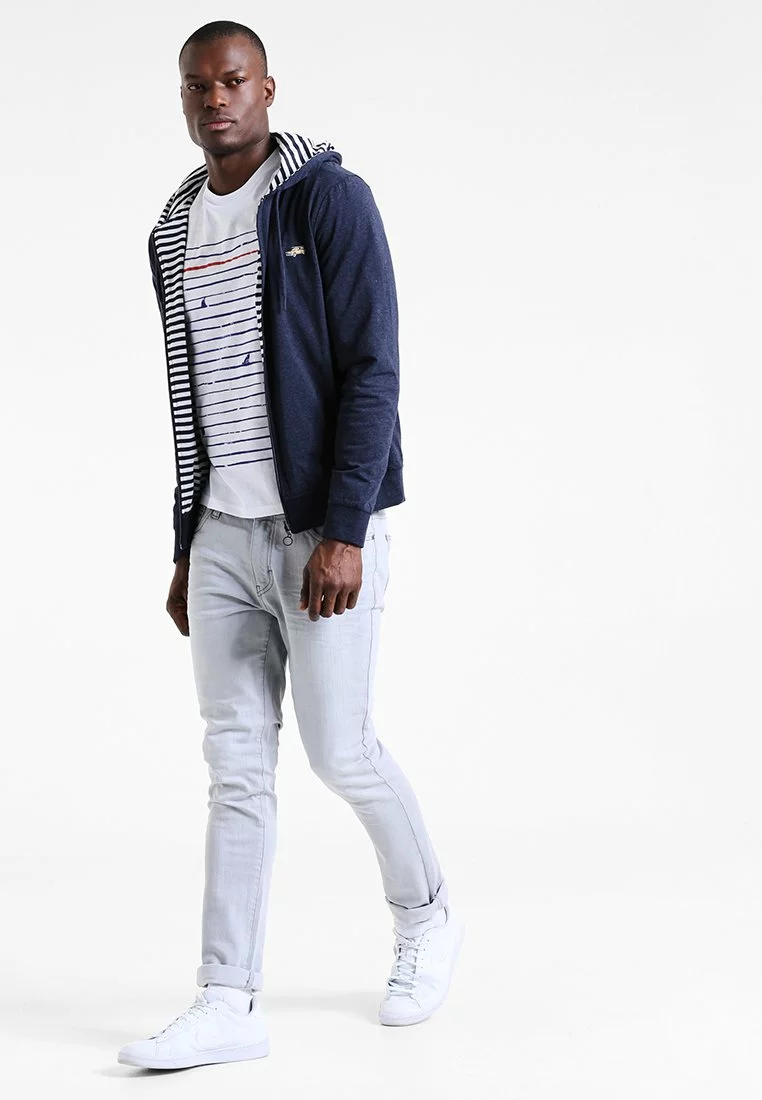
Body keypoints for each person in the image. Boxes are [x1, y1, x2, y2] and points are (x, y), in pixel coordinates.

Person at [117, 19, 464, 1071]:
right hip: (222, 536)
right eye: (197, 86)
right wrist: (188, 541)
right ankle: (227, 996)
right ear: (183, 99)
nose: (215, 99)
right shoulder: (173, 229)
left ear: (267, 88)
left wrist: (345, 528)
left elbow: (373, 367)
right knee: (234, 767)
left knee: (339, 750)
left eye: (232, 81)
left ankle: (427, 914)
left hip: (321, 530)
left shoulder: (326, 200)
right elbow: (194, 395)